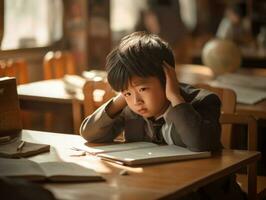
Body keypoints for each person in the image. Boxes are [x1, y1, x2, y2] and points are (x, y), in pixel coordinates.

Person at [80, 31, 246, 200]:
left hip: (205, 193)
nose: (137, 101)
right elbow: (90, 133)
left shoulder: (203, 102)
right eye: (127, 94)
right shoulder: (130, 108)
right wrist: (123, 95)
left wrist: (175, 98)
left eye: (143, 89)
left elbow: (200, 143)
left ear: (167, 79)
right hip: (155, 188)